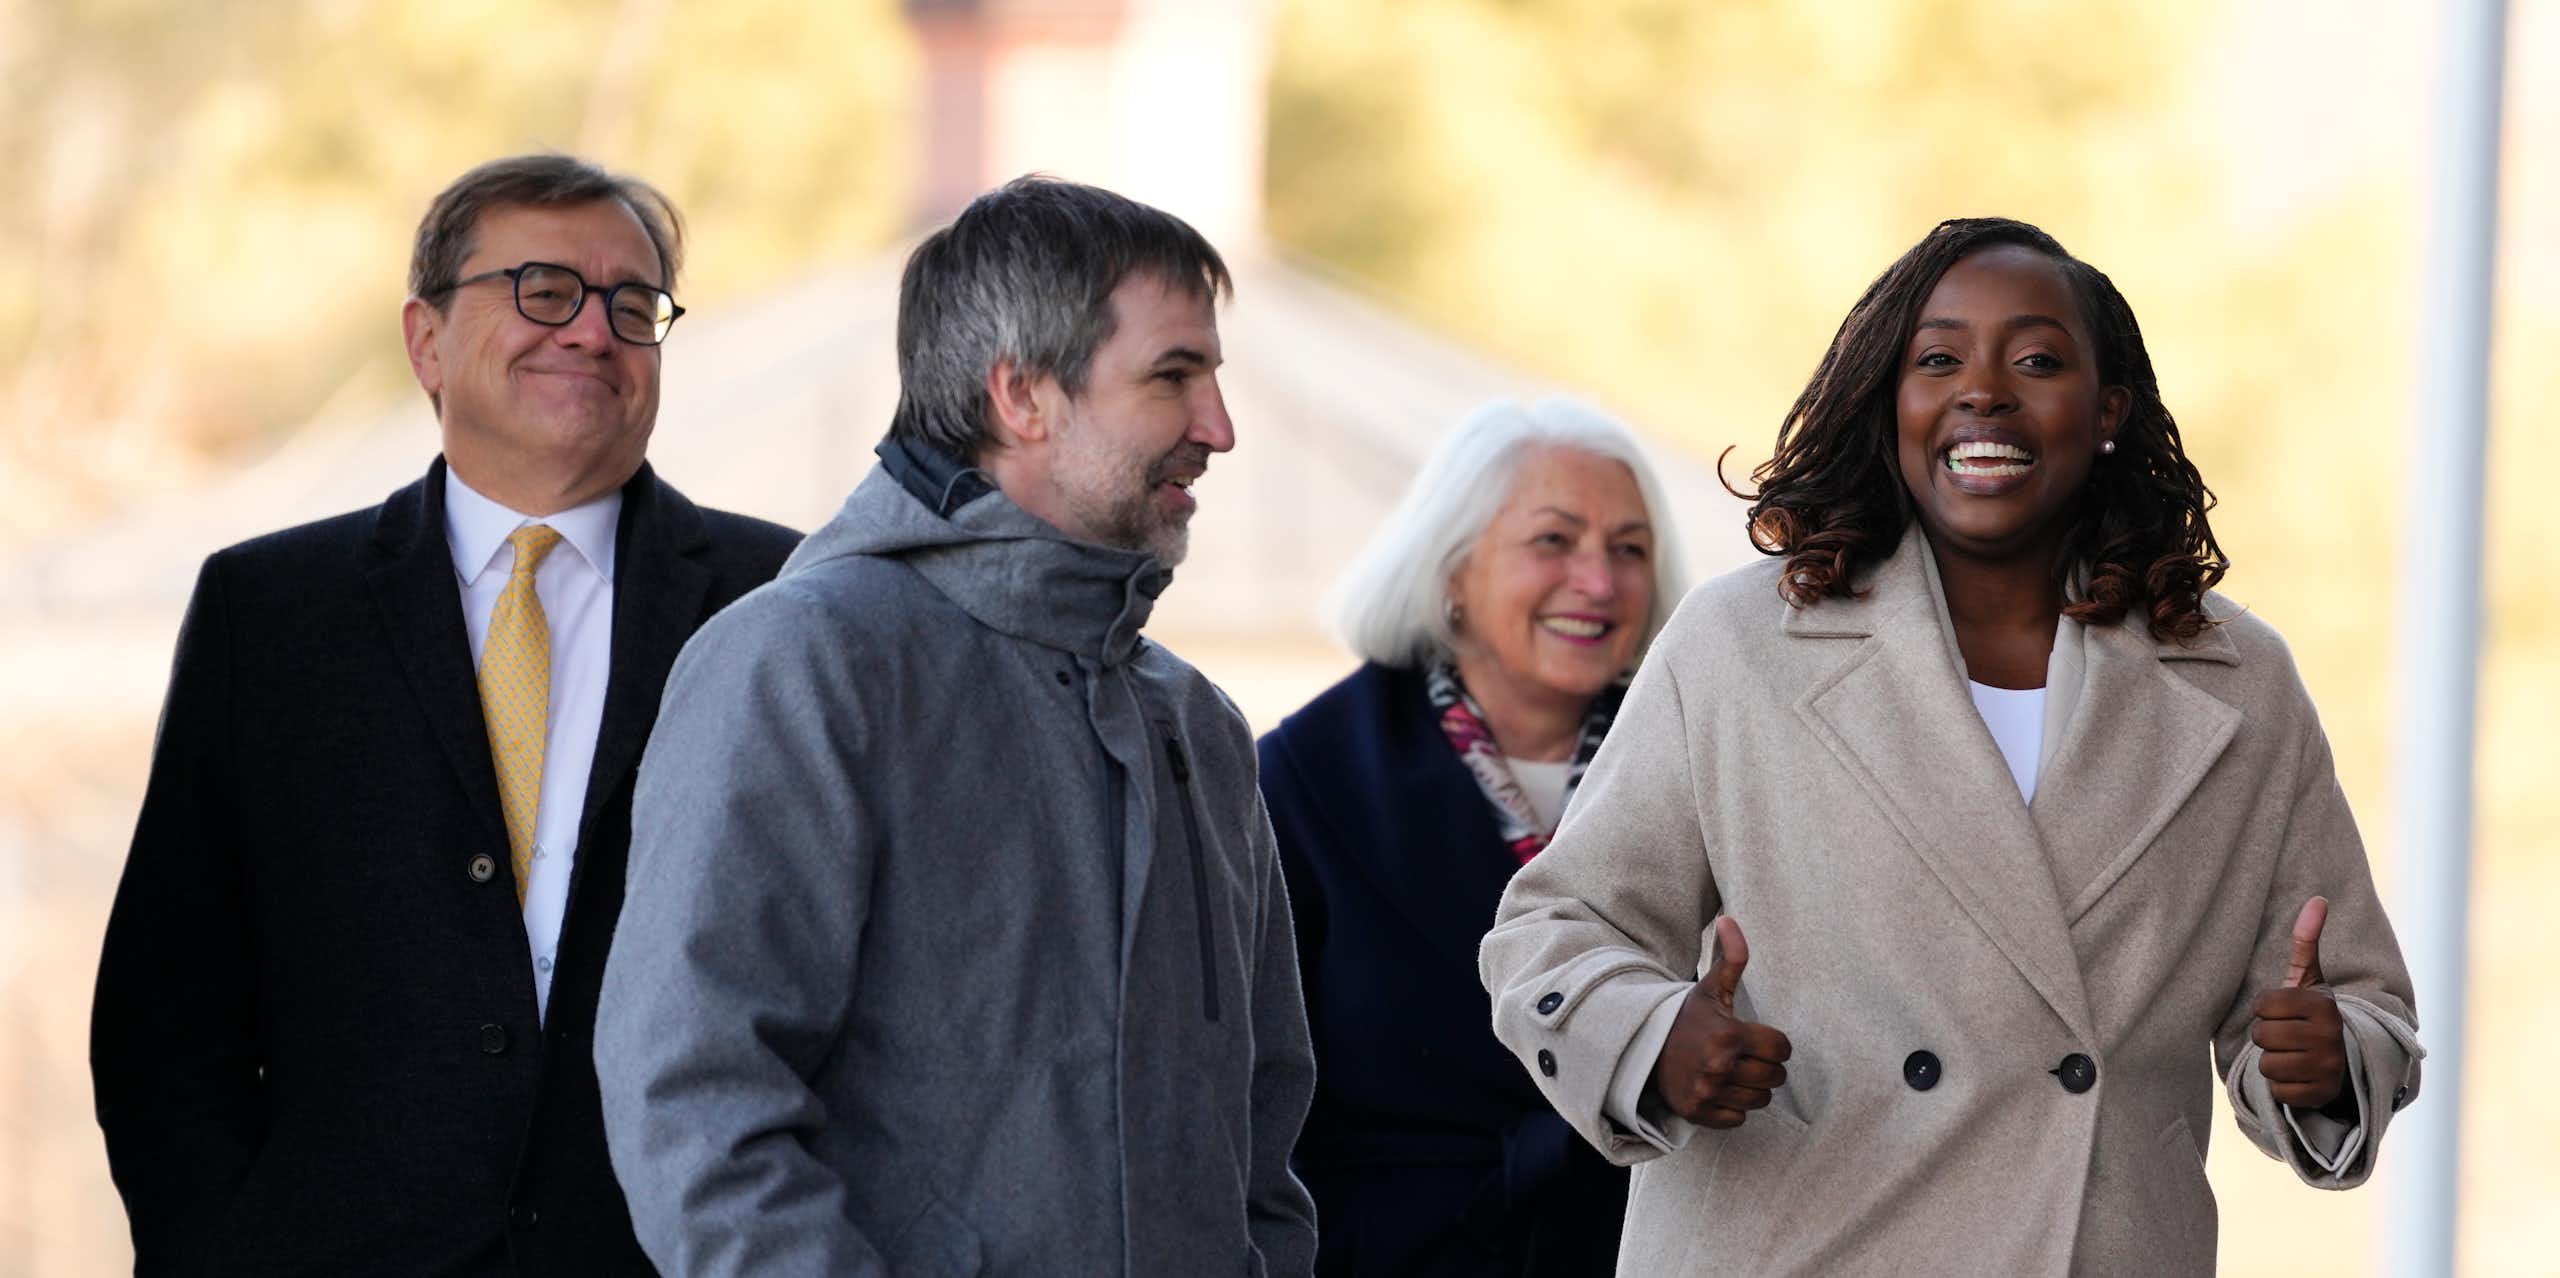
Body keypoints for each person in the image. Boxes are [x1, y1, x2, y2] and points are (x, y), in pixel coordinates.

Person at [1477, 217, 2423, 1276]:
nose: (1983, 391)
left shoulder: (2237, 683)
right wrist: (1654, 1039)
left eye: (2036, 361)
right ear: (1891, 403)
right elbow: (1556, 927)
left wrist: (2327, 1058)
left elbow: (2351, 995)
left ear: (2106, 410)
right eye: (1937, 360)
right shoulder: (1741, 648)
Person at [88, 153, 801, 1275]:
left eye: (632, 305)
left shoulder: (785, 605)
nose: (590, 332)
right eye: (544, 292)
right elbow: (167, 1006)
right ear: (426, 340)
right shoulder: (269, 611)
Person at [593, 175, 1317, 1276]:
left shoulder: (1196, 725)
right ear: (1022, 395)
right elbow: (697, 1105)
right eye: (1174, 375)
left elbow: (1262, 1130)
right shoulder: (802, 667)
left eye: (1212, 376)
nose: (1216, 428)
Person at [1259, 398, 1684, 1275]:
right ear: (1453, 570)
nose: (1599, 582)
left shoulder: (1700, 763)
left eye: (1629, 549)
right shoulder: (1301, 779)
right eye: (1554, 541)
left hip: (1651, 1248)